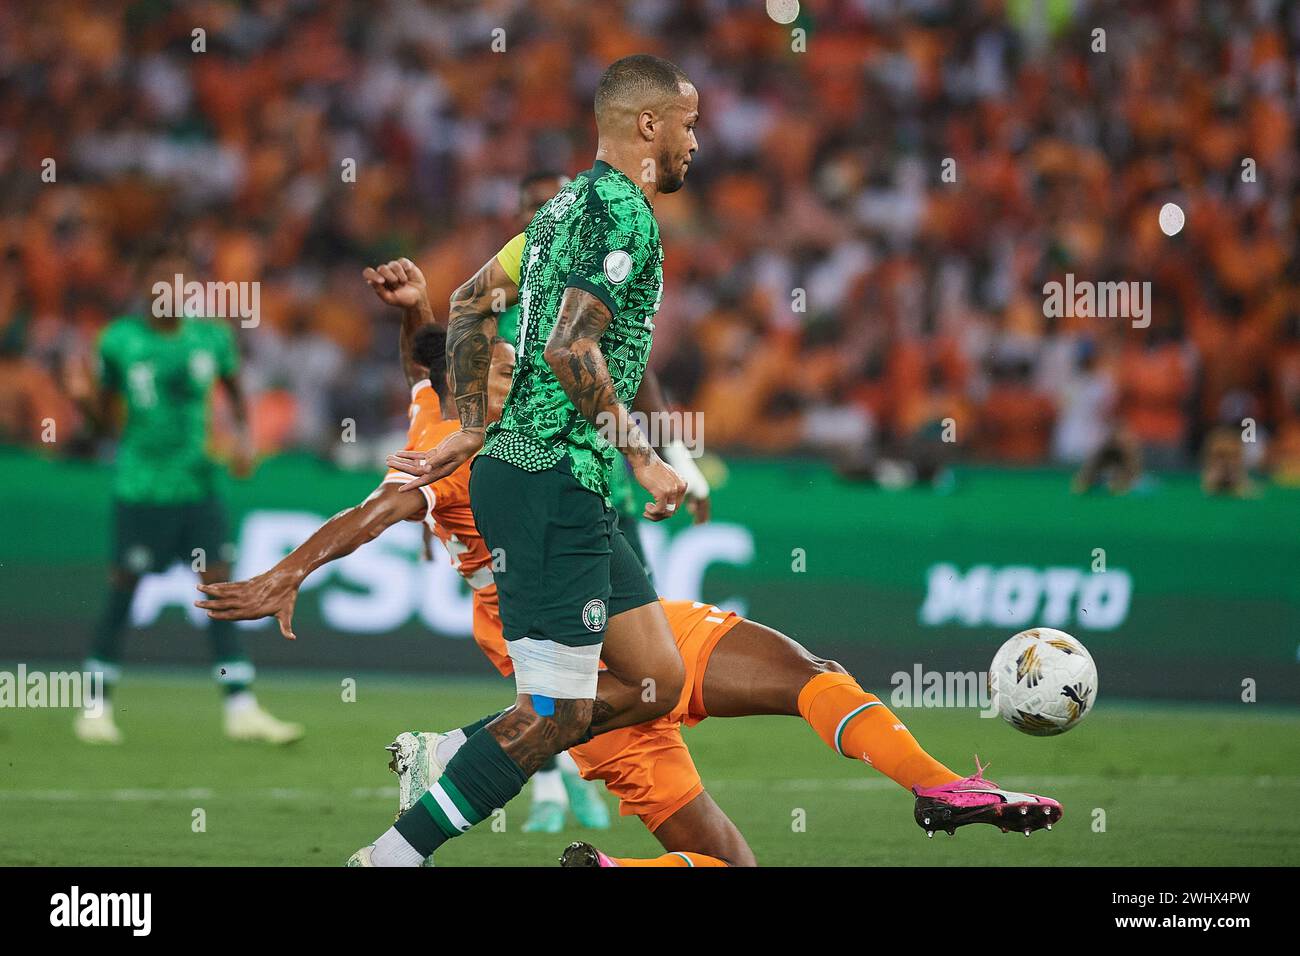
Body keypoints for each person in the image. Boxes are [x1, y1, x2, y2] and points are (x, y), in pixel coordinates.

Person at [373, 54, 700, 866]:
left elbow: (472, 299)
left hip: (556, 477)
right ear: (648, 126)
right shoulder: (624, 216)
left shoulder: (559, 214)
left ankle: (454, 750)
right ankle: (391, 856)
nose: (696, 141)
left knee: (656, 678)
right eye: (689, 124)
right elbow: (567, 346)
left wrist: (475, 423)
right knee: (555, 712)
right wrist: (647, 460)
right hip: (551, 480)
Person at [70, 247, 301, 745]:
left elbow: (237, 394)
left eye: (180, 285)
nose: (170, 295)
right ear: (144, 289)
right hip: (141, 487)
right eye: (160, 284)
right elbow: (104, 424)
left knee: (219, 590)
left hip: (197, 486)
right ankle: (95, 704)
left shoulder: (210, 339)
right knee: (124, 587)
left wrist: (243, 440)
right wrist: (84, 399)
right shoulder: (119, 341)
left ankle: (240, 706)